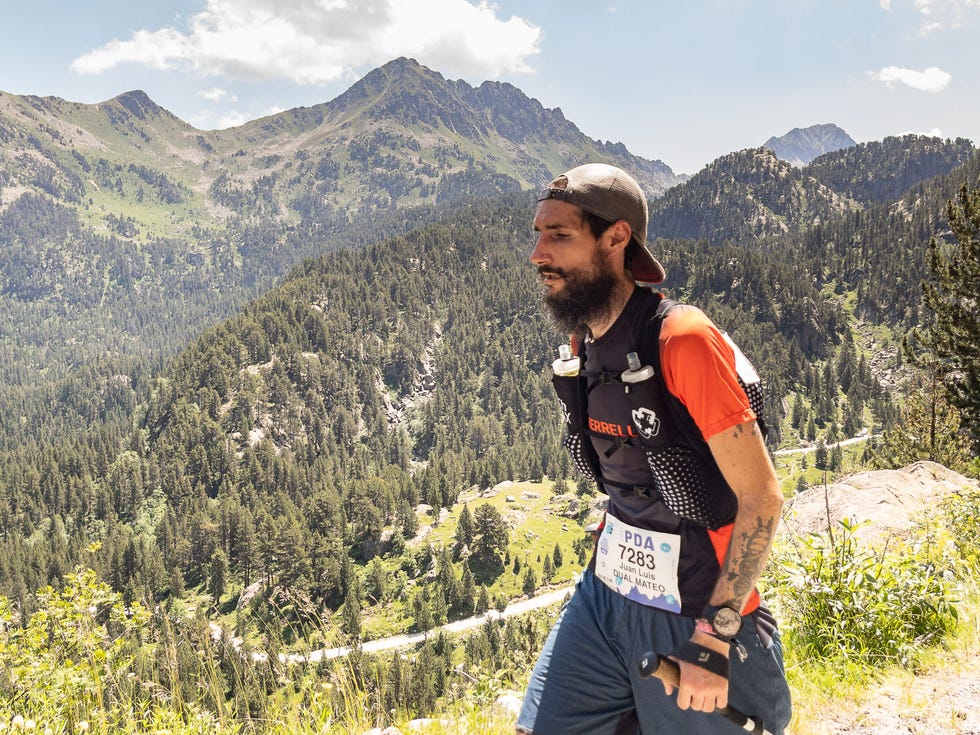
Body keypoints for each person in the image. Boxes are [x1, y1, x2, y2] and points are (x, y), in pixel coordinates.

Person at [516, 163, 792, 734]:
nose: (539, 253)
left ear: (616, 239)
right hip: (606, 594)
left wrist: (715, 638)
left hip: (694, 604)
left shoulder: (682, 340)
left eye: (559, 235)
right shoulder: (584, 341)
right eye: (538, 234)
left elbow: (761, 498)